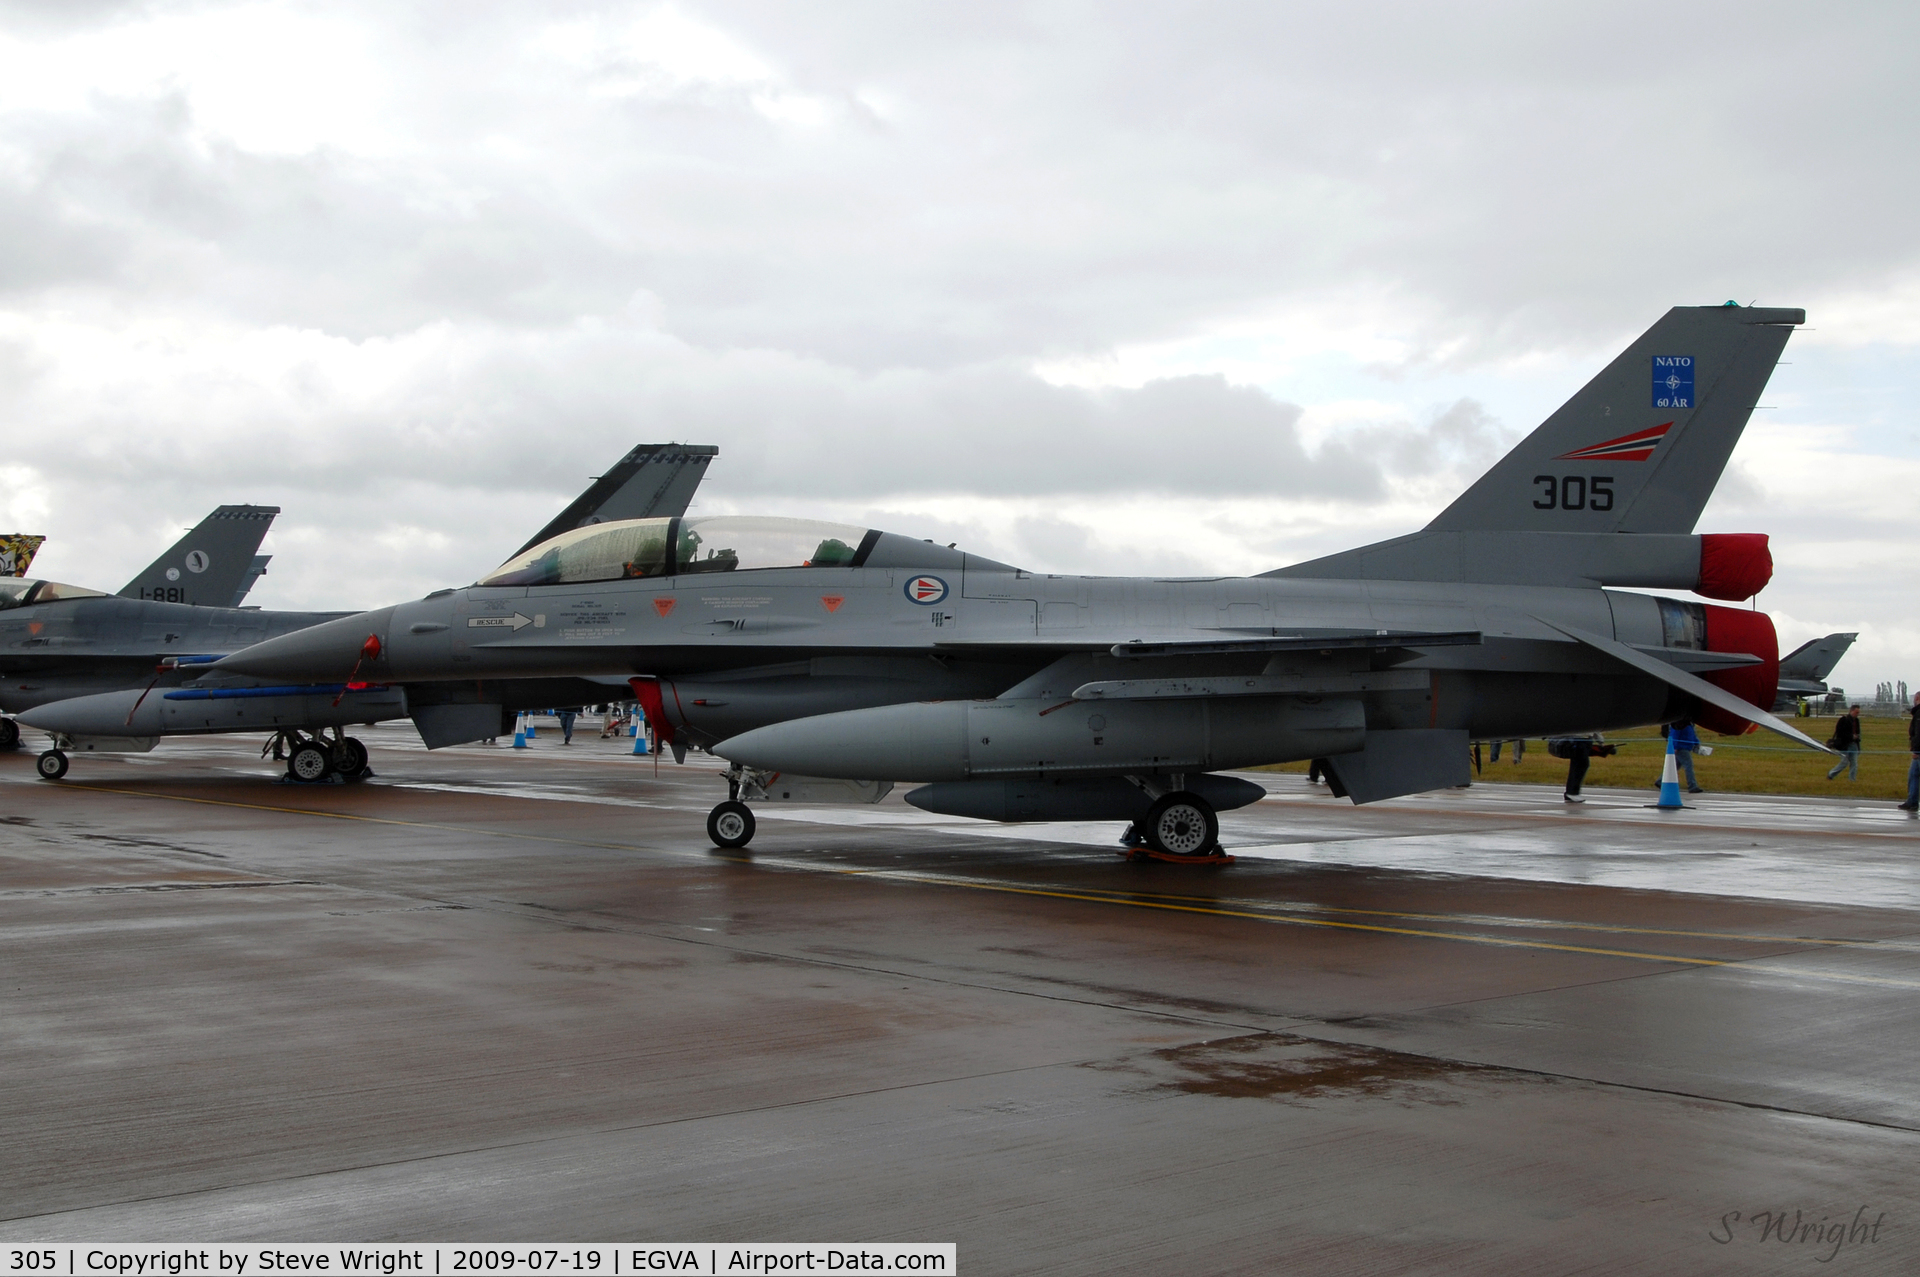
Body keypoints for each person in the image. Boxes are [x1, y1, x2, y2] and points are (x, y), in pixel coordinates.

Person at [1826, 705, 1863, 782]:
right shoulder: (1843, 720)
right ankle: (1831, 774)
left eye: (1858, 712)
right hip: (1844, 745)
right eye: (1856, 712)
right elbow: (1840, 733)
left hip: (1854, 745)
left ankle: (1852, 780)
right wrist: (1851, 736)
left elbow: (1858, 732)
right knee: (1844, 762)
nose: (1857, 714)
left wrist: (1857, 739)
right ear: (1851, 711)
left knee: (1854, 763)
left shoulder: (1857, 721)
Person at [1668, 719, 1705, 793]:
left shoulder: (1688, 724)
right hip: (1681, 748)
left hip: (1685, 747)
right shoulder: (1680, 723)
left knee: (1674, 766)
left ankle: (1660, 781)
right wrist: (1675, 747)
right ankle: (1692, 786)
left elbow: (1692, 735)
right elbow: (1674, 735)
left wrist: (1696, 742)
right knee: (1689, 766)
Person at [1901, 691, 1920, 813]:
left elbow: (1918, 734)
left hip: (1918, 751)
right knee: (1913, 775)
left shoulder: (1919, 714)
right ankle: (1912, 801)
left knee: (1914, 775)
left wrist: (1916, 750)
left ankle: (1912, 801)